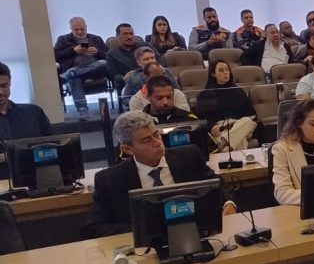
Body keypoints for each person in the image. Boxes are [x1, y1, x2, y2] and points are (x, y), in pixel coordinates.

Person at [82, 111, 235, 238]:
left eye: (156, 135)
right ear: (128, 149)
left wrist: (228, 203)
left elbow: (216, 183)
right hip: (146, 248)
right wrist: (144, 230)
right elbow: (94, 227)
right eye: (146, 140)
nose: (157, 142)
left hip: (195, 235)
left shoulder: (189, 155)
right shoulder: (110, 179)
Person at [195, 60, 258, 152]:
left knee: (247, 121)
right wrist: (211, 126)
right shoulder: (205, 94)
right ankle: (227, 149)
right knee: (240, 139)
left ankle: (223, 142)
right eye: (221, 70)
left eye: (227, 69)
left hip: (239, 125)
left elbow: (250, 114)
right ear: (213, 74)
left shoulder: (238, 91)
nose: (225, 72)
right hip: (220, 129)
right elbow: (202, 117)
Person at [54, 17, 109, 119]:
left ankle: (72, 73)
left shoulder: (96, 39)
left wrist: (98, 52)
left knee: (103, 63)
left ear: (86, 27)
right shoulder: (63, 39)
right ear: (71, 29)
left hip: (95, 70)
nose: (80, 32)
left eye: (82, 29)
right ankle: (82, 109)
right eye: (76, 29)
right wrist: (73, 50)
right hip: (74, 67)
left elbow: (108, 55)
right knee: (75, 78)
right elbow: (56, 56)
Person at [0, 61, 52, 154]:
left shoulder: (34, 113)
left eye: (4, 86)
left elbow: (53, 147)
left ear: (10, 83)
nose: (0, 92)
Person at [106, 23, 147, 91]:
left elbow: (159, 61)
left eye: (131, 34)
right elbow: (115, 75)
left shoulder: (145, 46)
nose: (129, 37)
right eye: (125, 34)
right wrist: (123, 79)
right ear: (117, 36)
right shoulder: (111, 54)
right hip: (130, 85)